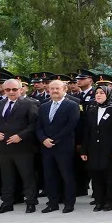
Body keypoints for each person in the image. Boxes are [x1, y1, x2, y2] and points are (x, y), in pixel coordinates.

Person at [0, 79, 39, 214]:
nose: (11, 92)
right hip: (3, 148)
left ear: (21, 89)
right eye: (8, 90)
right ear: (4, 90)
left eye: (14, 89)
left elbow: (34, 124)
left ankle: (31, 202)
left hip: (23, 147)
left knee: (27, 176)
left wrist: (20, 136)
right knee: (6, 177)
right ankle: (7, 203)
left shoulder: (30, 104)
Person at [36, 78, 80, 213]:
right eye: (52, 88)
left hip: (63, 146)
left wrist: (53, 140)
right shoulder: (43, 106)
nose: (54, 91)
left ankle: (69, 203)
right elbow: (38, 125)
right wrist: (43, 139)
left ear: (64, 89)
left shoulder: (72, 105)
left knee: (67, 175)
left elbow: (71, 125)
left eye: (57, 88)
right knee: (50, 176)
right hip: (47, 147)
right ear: (48, 90)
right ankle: (53, 202)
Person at [80, 86, 112, 211]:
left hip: (108, 148)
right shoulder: (91, 110)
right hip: (93, 148)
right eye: (96, 93)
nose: (98, 95)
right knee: (96, 175)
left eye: (101, 93)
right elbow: (86, 132)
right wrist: (84, 150)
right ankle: (99, 200)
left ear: (108, 95)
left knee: (109, 176)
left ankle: (111, 200)